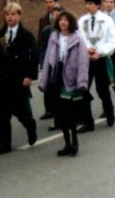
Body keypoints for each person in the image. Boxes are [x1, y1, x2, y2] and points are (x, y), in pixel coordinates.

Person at [39, 11, 89, 157]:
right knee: (60, 114)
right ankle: (66, 143)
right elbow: (49, 56)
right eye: (61, 20)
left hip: (70, 78)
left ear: (71, 22)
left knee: (70, 113)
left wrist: (82, 81)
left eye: (66, 20)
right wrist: (44, 79)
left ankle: (75, 142)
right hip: (57, 77)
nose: (63, 22)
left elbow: (83, 61)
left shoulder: (78, 38)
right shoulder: (54, 36)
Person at [77, 0, 115, 133]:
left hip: (101, 59)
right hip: (86, 60)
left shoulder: (107, 20)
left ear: (97, 5)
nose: (87, 6)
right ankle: (88, 121)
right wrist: (87, 48)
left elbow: (114, 41)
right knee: (83, 89)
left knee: (102, 89)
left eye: (90, 3)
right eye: (86, 3)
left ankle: (109, 112)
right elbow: (80, 38)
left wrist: (100, 52)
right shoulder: (82, 20)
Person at [0, 2, 38, 154]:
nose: (10, 17)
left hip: (19, 79)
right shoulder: (1, 34)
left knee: (23, 113)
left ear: (19, 16)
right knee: (2, 115)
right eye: (7, 14)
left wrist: (30, 75)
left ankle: (31, 127)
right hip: (2, 80)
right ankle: (4, 144)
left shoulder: (26, 35)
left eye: (13, 14)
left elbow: (34, 57)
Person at [38, 4, 63, 125]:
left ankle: (60, 116)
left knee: (58, 90)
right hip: (48, 62)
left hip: (61, 64)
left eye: (58, 14)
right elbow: (42, 48)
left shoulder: (66, 30)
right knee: (47, 88)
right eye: (54, 14)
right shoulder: (47, 30)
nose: (56, 16)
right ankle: (49, 110)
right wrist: (42, 63)